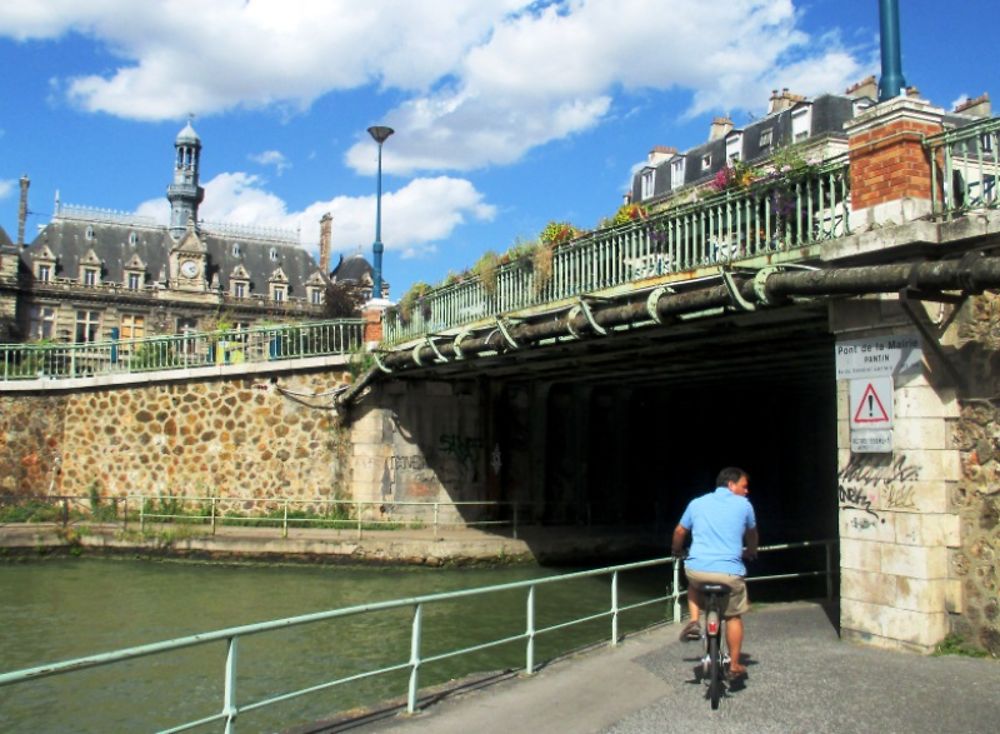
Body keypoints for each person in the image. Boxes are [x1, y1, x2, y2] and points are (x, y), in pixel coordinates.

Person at [671, 466, 758, 677]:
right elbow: (752, 534)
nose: (747, 491)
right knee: (733, 617)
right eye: (744, 486)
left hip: (698, 569)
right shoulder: (745, 506)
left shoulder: (697, 503)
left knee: (693, 582)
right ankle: (735, 665)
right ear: (731, 485)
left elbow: (680, 531)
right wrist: (752, 552)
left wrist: (676, 550)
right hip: (729, 573)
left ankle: (693, 621)